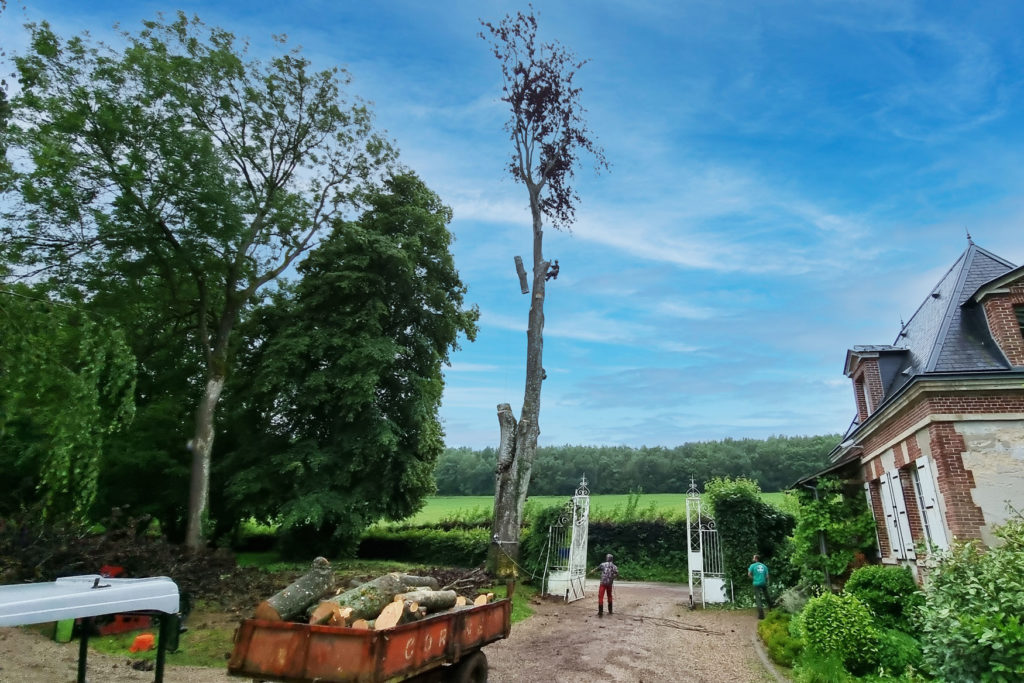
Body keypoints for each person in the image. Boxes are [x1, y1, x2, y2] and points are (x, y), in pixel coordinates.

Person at [748, 554, 770, 619]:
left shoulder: (752, 566)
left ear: (756, 559)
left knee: (758, 598)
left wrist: (754, 578)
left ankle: (761, 615)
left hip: (756, 583)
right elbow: (767, 576)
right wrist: (764, 580)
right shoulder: (764, 566)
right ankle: (771, 609)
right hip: (763, 583)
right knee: (767, 596)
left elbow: (749, 574)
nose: (753, 559)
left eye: (753, 558)